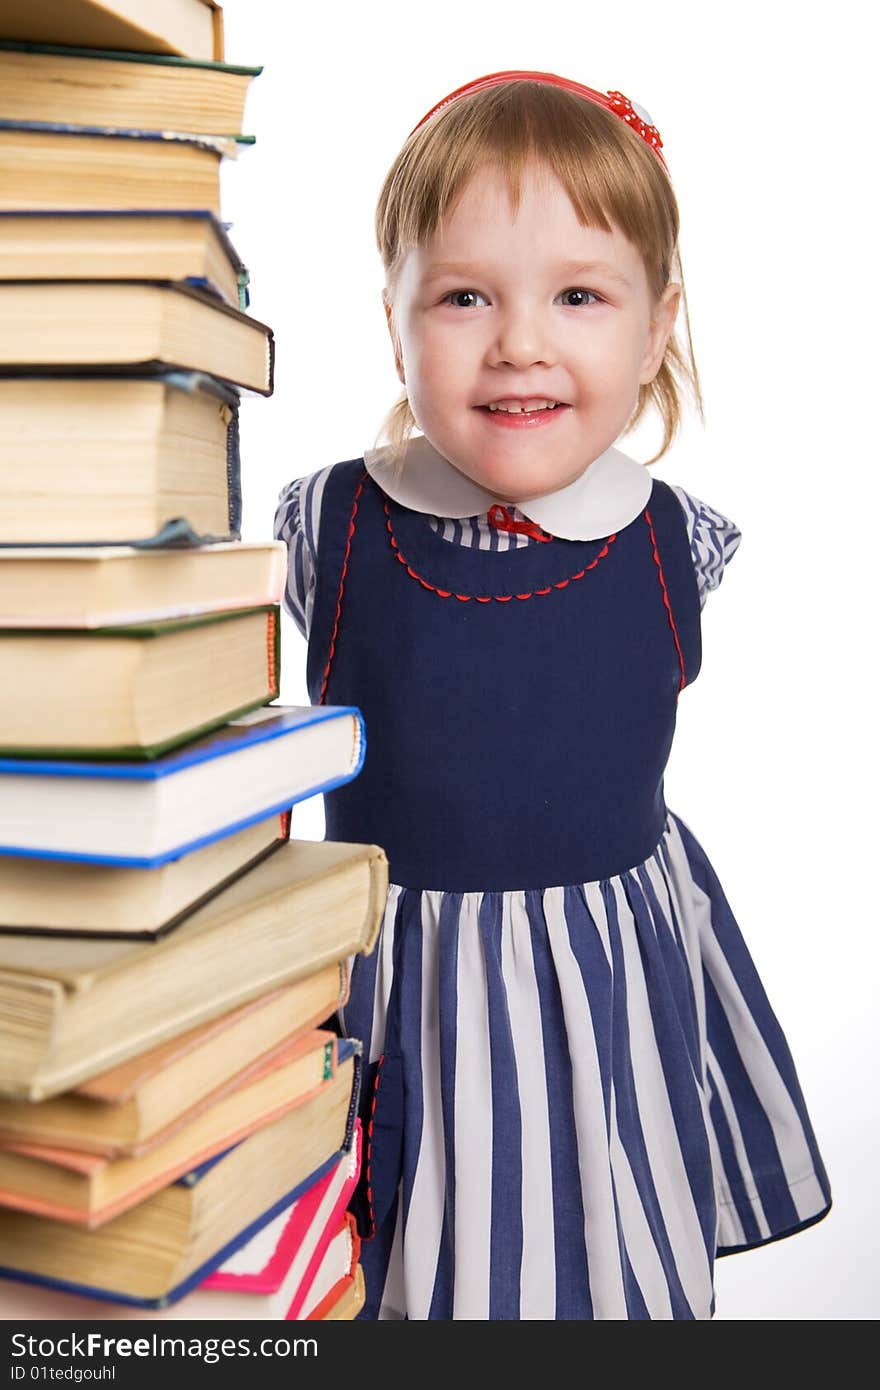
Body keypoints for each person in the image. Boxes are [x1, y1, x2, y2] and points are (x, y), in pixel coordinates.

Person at [274, 71, 832, 1320]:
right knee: (389, 1254)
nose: (520, 340)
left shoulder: (668, 539)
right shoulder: (334, 525)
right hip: (396, 977)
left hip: (602, 984)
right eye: (465, 295)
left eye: (578, 296)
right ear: (394, 322)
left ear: (655, 323)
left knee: (594, 1244)